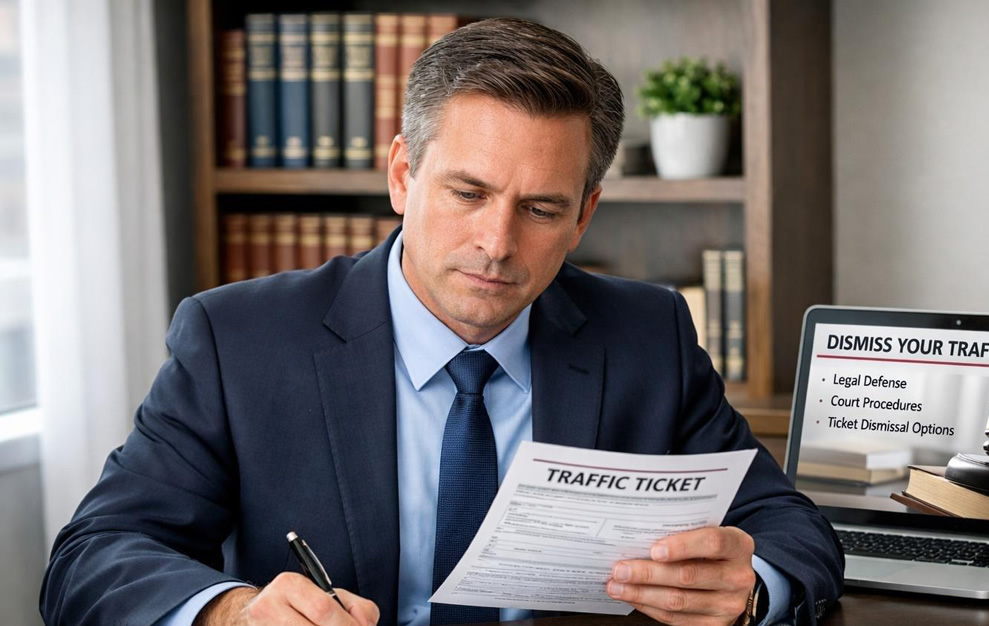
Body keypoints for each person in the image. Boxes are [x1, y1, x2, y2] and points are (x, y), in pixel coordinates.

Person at [40, 17, 842, 626]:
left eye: (541, 209)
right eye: (467, 193)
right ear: (402, 175)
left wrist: (750, 588)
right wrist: (229, 612)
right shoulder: (238, 339)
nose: (496, 243)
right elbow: (94, 557)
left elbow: (789, 525)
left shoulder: (647, 334)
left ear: (585, 215)